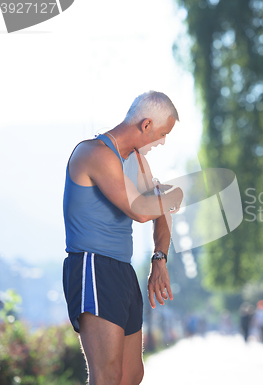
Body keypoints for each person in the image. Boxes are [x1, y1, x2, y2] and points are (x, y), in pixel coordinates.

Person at [62, 91, 184, 385]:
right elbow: (142, 210)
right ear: (145, 125)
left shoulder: (139, 162)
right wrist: (175, 195)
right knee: (107, 375)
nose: (162, 142)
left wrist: (159, 258)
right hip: (93, 266)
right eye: (161, 134)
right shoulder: (95, 153)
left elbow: (160, 213)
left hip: (122, 269)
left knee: (131, 375)